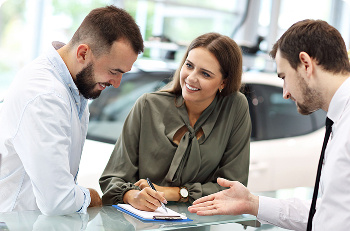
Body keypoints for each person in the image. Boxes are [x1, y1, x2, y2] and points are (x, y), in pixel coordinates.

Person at [188, 19, 350, 231]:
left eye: (284, 77)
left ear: (306, 64)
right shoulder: (340, 120)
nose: (285, 93)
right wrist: (253, 204)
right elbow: (328, 213)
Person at [0, 5, 144, 216]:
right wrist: (92, 196)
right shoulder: (46, 95)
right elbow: (57, 201)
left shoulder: (74, 86)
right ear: (83, 53)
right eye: (114, 71)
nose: (118, 83)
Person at [99, 32, 251, 212]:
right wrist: (133, 195)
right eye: (189, 65)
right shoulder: (148, 105)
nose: (191, 78)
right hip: (142, 223)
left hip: (195, 224)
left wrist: (176, 193)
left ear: (223, 82)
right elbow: (112, 179)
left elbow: (233, 189)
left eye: (205, 74)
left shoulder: (234, 107)